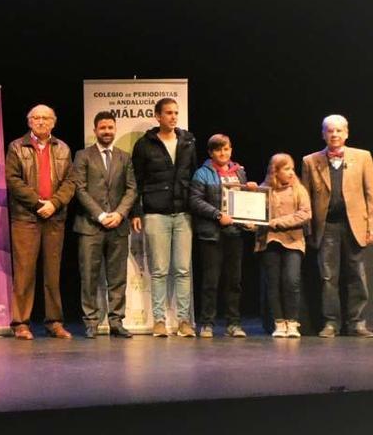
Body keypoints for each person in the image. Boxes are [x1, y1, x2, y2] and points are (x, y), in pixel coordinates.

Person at [5, 104, 74, 340]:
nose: (41, 122)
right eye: (36, 118)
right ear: (29, 122)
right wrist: (38, 203)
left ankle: (54, 321)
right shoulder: (16, 147)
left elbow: (70, 182)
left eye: (46, 118)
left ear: (54, 122)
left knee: (52, 272)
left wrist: (54, 203)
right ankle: (21, 323)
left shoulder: (63, 148)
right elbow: (13, 180)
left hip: (55, 217)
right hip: (26, 217)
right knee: (25, 271)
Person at [301, 114, 373, 338]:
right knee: (328, 277)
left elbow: (371, 194)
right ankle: (331, 323)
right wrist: (308, 229)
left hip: (355, 224)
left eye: (339, 130)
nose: (334, 134)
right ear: (323, 134)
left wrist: (371, 225)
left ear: (347, 133)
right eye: (330, 131)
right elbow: (305, 196)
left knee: (358, 275)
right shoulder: (310, 161)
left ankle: (357, 322)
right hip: (327, 226)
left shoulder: (363, 157)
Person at [131, 97, 197, 338]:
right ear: (157, 116)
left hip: (183, 213)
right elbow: (135, 181)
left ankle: (184, 321)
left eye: (176, 113)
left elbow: (194, 176)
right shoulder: (144, 144)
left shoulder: (188, 141)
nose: (173, 116)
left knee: (182, 270)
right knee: (159, 269)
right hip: (155, 212)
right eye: (168, 113)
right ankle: (158, 320)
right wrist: (135, 212)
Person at [71, 111, 137, 339]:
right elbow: (79, 188)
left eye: (110, 127)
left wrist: (119, 214)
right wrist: (100, 215)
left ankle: (117, 321)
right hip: (90, 226)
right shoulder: (82, 156)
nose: (107, 131)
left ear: (115, 128)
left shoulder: (124, 157)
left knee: (117, 277)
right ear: (95, 130)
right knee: (89, 276)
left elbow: (131, 189)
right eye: (103, 128)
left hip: (118, 225)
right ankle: (91, 322)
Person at [189, 134, 257, 338]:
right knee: (211, 281)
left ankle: (233, 324)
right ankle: (207, 323)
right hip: (211, 235)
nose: (223, 153)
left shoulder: (239, 173)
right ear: (211, 152)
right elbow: (195, 201)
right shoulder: (202, 174)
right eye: (218, 150)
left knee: (234, 281)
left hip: (234, 234)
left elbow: (244, 202)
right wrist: (218, 215)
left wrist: (251, 191)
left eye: (226, 149)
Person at [255, 153, 311, 338]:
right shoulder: (264, 189)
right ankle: (279, 322)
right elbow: (255, 217)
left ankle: (293, 322)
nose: (291, 172)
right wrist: (246, 221)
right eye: (286, 168)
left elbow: (305, 214)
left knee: (291, 280)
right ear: (275, 171)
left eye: (292, 168)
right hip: (269, 241)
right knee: (273, 283)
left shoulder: (298, 189)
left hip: (293, 241)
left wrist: (278, 222)